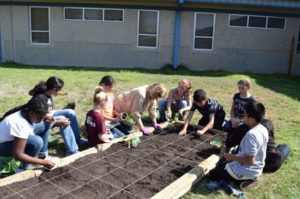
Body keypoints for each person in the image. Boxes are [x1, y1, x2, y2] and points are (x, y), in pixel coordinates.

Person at [208, 102, 268, 189]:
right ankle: (250, 177)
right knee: (221, 166)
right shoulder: (263, 128)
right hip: (257, 168)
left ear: (251, 119)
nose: (243, 117)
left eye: (245, 115)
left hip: (247, 170)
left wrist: (232, 157)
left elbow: (250, 160)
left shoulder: (251, 135)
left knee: (212, 174)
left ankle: (244, 181)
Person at [29, 76, 87, 156]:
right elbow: (43, 118)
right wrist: (59, 122)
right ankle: (72, 151)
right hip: (36, 124)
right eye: (59, 89)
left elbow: (48, 112)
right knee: (63, 119)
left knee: (70, 113)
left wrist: (65, 109)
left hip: (46, 116)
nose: (60, 92)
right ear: (54, 89)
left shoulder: (48, 95)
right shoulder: (40, 98)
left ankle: (77, 140)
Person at [0, 97, 55, 172]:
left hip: (11, 138)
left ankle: (42, 155)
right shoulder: (20, 124)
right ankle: (22, 168)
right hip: (2, 146)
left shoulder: (27, 112)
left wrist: (46, 117)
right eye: (40, 117)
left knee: (46, 124)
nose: (41, 120)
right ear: (32, 113)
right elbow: (18, 154)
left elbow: (40, 118)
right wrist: (42, 162)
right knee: (36, 142)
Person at [226, 119, 290, 173]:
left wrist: (234, 128)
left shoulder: (243, 129)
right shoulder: (267, 123)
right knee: (285, 147)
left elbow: (228, 143)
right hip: (272, 163)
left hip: (253, 166)